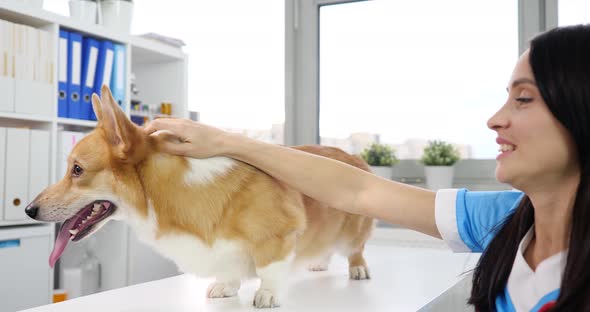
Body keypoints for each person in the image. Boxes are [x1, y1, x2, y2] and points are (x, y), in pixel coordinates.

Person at [144, 24, 590, 311]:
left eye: (524, 98)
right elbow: (358, 191)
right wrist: (224, 143)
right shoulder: (505, 221)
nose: (495, 119)